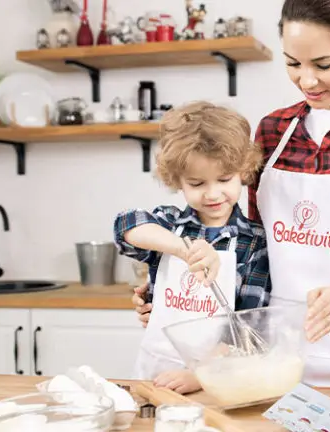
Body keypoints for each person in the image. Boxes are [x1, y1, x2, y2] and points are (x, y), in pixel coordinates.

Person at [132, 0, 330, 388]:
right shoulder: (274, 130)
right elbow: (248, 243)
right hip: (264, 356)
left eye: (323, 65)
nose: (307, 81)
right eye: (293, 63)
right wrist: (175, 293)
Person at [114, 101, 272, 394]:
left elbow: (249, 327)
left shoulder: (255, 243)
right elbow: (125, 225)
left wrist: (200, 374)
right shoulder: (168, 224)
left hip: (220, 378)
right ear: (178, 181)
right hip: (155, 373)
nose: (212, 194)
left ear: (242, 172)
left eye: (224, 179)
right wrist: (183, 249)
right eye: (197, 183)